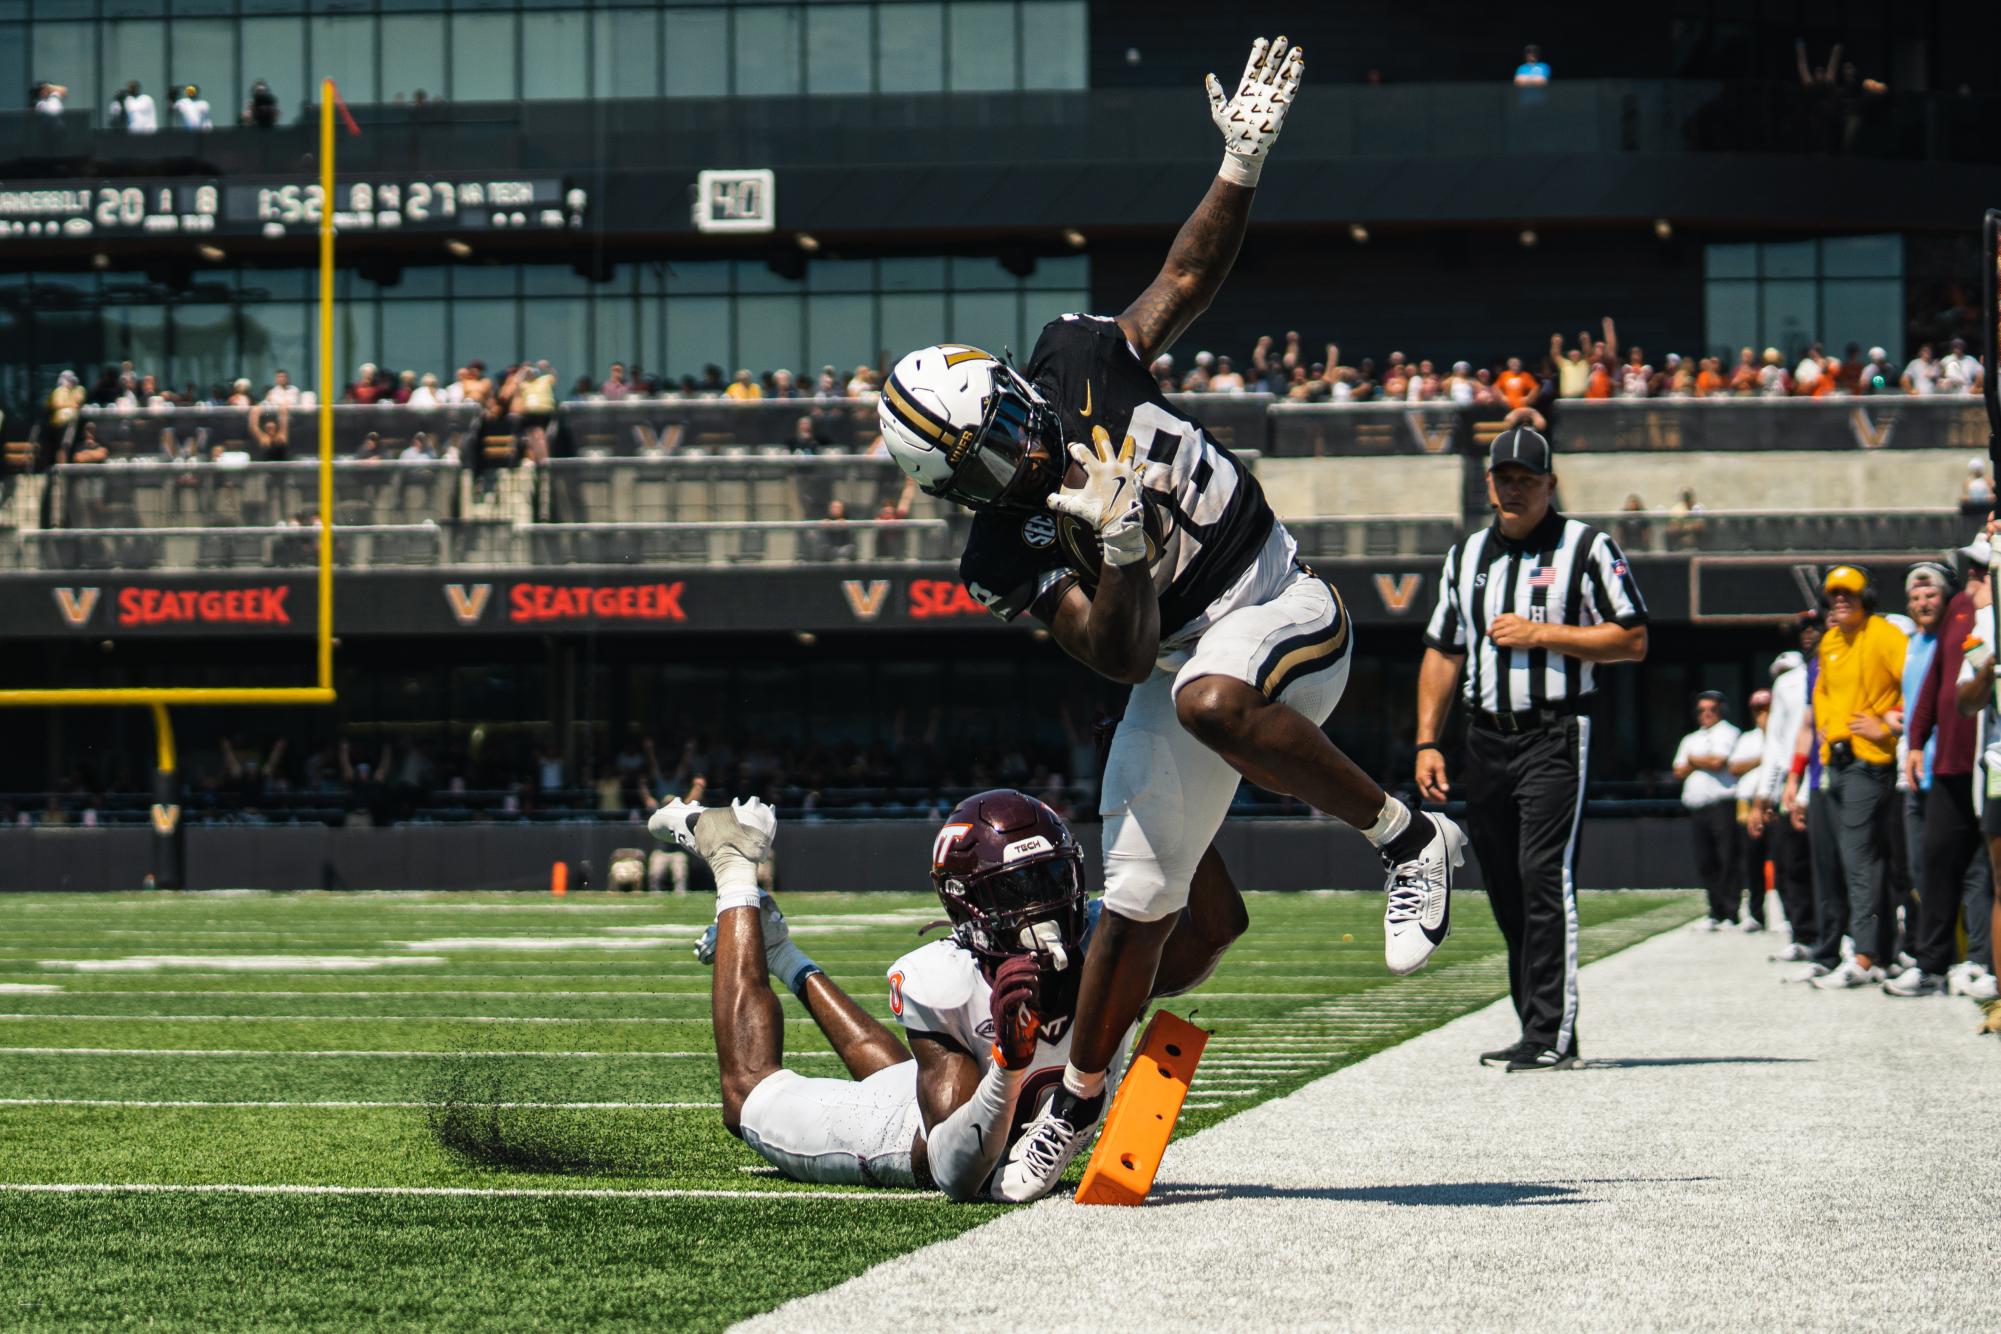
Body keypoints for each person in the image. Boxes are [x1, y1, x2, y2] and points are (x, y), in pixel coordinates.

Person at [879, 36, 1461, 1194]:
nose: (1008, 460)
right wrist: (1128, 552)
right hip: (1172, 656)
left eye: (999, 429)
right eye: (978, 464)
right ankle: (1075, 1105)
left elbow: (1182, 285)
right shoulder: (1001, 542)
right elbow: (1119, 651)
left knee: (1210, 696)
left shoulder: (1077, 359)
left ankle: (1409, 838)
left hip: (1281, 600)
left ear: (1007, 382)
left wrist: (1240, 163)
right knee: (1141, 906)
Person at [648, 788, 1244, 1201]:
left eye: (1053, 877)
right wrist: (1008, 1068)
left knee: (914, 1070)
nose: (1044, 902)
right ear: (969, 903)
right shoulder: (948, 978)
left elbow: (1218, 925)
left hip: (950, 1093)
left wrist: (1180, 803)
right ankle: (733, 863)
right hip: (902, 1137)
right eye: (1018, 888)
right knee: (747, 1092)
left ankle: (780, 950)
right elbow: (957, 1174)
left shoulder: (1108, 947)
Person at [1416, 424, 1649, 1072]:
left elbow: (1632, 639)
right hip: (1482, 736)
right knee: (1502, 885)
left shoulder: (1587, 547)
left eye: (1527, 478)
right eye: (1504, 478)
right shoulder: (1464, 556)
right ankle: (1532, 1027)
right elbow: (1442, 649)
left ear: (1551, 484)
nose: (1514, 488)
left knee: (1541, 876)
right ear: (1488, 484)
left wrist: (1542, 633)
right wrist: (1426, 742)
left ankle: (1552, 1033)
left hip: (1554, 731)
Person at [1799, 566, 1906, 989]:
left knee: (1858, 858)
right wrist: (1827, 731)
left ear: (1867, 596)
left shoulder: (1883, 634)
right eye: (1834, 594)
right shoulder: (1830, 641)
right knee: (1862, 859)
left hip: (1869, 762)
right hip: (1838, 761)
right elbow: (1822, 692)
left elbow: (1913, 683)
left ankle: (1863, 956)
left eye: (1850, 593)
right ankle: (1876, 949)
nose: (1841, 599)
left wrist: (1888, 725)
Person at [1902, 531, 1997, 997]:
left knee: (1986, 870)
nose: (1975, 577)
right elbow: (1938, 676)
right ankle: (1931, 964)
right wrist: (1916, 741)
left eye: (1984, 569)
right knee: (1936, 864)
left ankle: (1982, 961)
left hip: (1991, 761)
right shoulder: (1959, 607)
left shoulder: (1994, 612)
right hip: (1951, 764)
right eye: (1972, 568)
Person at [1751, 646, 1816, 958]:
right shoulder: (1784, 688)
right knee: (1790, 864)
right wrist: (1766, 793)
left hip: (1811, 779)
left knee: (1818, 864)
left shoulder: (1812, 676)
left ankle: (1827, 935)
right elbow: (1775, 745)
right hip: (1788, 784)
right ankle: (1802, 933)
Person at [1676, 692, 1744, 930]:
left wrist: (1693, 761)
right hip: (1697, 806)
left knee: (1727, 858)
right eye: (1701, 710)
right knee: (1706, 861)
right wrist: (1699, 761)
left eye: (1711, 709)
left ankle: (1731, 913)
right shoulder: (1691, 739)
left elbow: (1719, 762)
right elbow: (1678, 771)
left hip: (1722, 804)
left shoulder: (1728, 732)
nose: (1706, 714)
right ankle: (1715, 911)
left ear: (1720, 711)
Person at [1730, 690, 1773, 932]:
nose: (1762, 715)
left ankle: (1789, 918)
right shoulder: (1748, 738)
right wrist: (1764, 758)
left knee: (1785, 862)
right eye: (1758, 710)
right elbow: (1734, 766)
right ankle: (1756, 914)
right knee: (1751, 861)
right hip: (1747, 803)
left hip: (1773, 802)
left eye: (1766, 709)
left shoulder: (1781, 735)